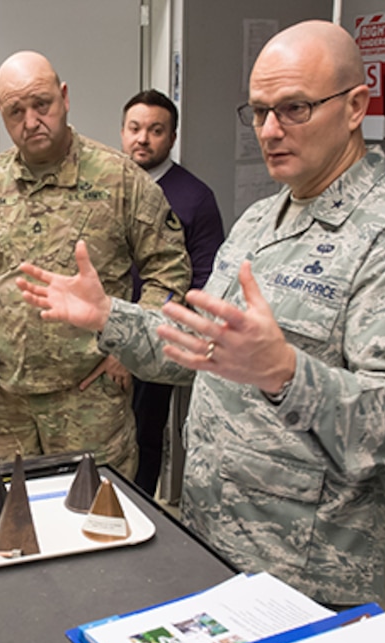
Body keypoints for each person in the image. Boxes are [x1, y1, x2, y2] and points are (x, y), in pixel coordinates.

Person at [17, 20, 385, 607]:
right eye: (258, 112)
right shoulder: (261, 219)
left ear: (356, 106)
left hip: (304, 576)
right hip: (211, 542)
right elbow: (197, 348)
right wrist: (109, 316)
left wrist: (285, 373)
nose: (271, 130)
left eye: (294, 108)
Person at [0, 50, 190, 477]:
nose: (31, 120)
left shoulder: (119, 179)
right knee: (12, 523)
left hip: (89, 400)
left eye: (42, 104)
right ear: (1, 113)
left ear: (64, 97)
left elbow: (169, 270)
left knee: (97, 525)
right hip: (5, 406)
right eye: (16, 111)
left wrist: (129, 348)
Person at [120, 89, 225, 496]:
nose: (143, 138)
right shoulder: (108, 185)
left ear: (172, 137)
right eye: (135, 128)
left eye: (155, 130)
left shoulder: (195, 198)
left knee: (143, 434)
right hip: (98, 331)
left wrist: (174, 332)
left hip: (156, 339)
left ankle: (137, 508)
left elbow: (204, 278)